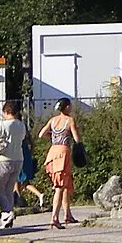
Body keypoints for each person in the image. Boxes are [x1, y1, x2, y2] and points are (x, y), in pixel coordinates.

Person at [0, 100, 27, 229]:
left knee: (0, 188)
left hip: (4, 159)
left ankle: (7, 213)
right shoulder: (21, 125)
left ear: (6, 112)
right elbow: (22, 139)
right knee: (9, 189)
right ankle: (6, 219)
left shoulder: (2, 125)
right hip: (18, 159)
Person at [40, 97, 81, 229]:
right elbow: (76, 138)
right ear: (67, 107)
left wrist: (53, 138)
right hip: (63, 153)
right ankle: (54, 218)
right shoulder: (69, 120)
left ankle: (67, 214)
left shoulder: (53, 120)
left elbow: (41, 134)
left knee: (64, 185)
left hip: (53, 152)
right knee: (59, 187)